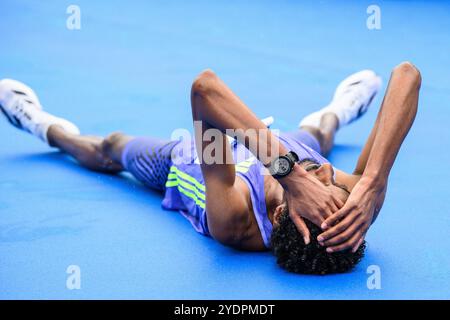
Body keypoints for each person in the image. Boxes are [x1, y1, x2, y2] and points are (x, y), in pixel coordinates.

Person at [0, 62, 420, 274]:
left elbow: (205, 91)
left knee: (108, 149)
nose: (328, 174)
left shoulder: (234, 220)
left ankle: (40, 124)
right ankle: (339, 110)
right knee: (319, 137)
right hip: (274, 151)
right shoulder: (339, 204)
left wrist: (290, 174)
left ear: (278, 215)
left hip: (198, 159)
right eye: (335, 188)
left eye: (317, 185)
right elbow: (407, 75)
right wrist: (376, 182)